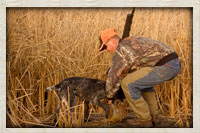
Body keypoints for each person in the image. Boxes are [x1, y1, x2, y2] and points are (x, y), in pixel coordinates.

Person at [98, 29, 181, 127]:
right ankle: (153, 117)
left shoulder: (122, 49)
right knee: (138, 80)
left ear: (111, 40)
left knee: (127, 84)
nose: (106, 50)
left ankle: (144, 120)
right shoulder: (130, 41)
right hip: (173, 63)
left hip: (166, 67)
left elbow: (114, 75)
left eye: (105, 47)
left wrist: (110, 97)